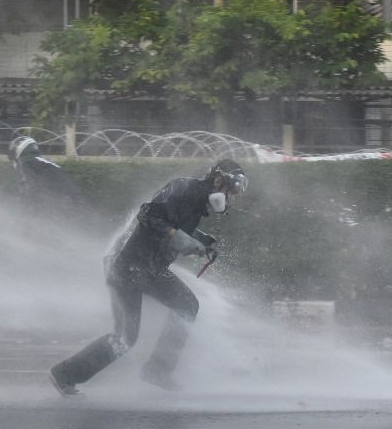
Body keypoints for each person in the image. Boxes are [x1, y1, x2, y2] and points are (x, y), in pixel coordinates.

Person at [48, 159, 248, 395]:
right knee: (125, 338)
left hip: (150, 269)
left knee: (187, 306)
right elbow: (148, 215)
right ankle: (64, 375)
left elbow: (176, 223)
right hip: (127, 267)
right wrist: (181, 239)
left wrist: (202, 241)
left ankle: (158, 370)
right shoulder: (182, 187)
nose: (232, 198)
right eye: (232, 191)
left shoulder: (197, 203)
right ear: (218, 181)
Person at [6, 136, 84, 213]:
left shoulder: (25, 161)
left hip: (57, 203)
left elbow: (29, 186)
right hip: (74, 200)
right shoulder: (42, 161)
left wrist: (19, 206)